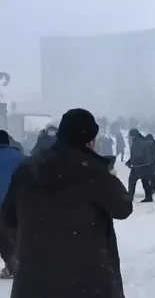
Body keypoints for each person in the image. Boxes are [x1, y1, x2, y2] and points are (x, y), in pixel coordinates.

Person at [1, 108, 132, 298]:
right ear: (90, 140)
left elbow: (8, 218)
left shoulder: (28, 169)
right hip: (87, 277)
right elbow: (123, 208)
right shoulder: (93, 171)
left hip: (35, 277)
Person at [0, 130, 25, 279]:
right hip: (17, 203)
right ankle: (16, 262)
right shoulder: (20, 157)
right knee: (15, 233)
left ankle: (11, 262)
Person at [126, 129, 154, 202]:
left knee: (132, 181)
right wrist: (130, 161)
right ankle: (149, 197)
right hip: (146, 165)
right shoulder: (142, 140)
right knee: (145, 182)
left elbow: (137, 155)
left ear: (133, 135)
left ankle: (130, 196)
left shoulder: (137, 143)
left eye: (130, 135)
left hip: (138, 165)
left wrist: (131, 162)